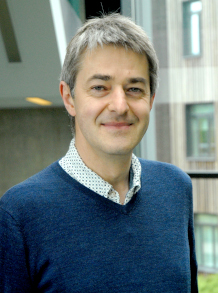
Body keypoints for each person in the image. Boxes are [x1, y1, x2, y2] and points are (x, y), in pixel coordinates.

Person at [0, 13, 198, 292]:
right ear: (69, 98)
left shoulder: (176, 188)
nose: (119, 105)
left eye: (134, 88)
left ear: (151, 99)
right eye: (99, 87)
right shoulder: (19, 213)